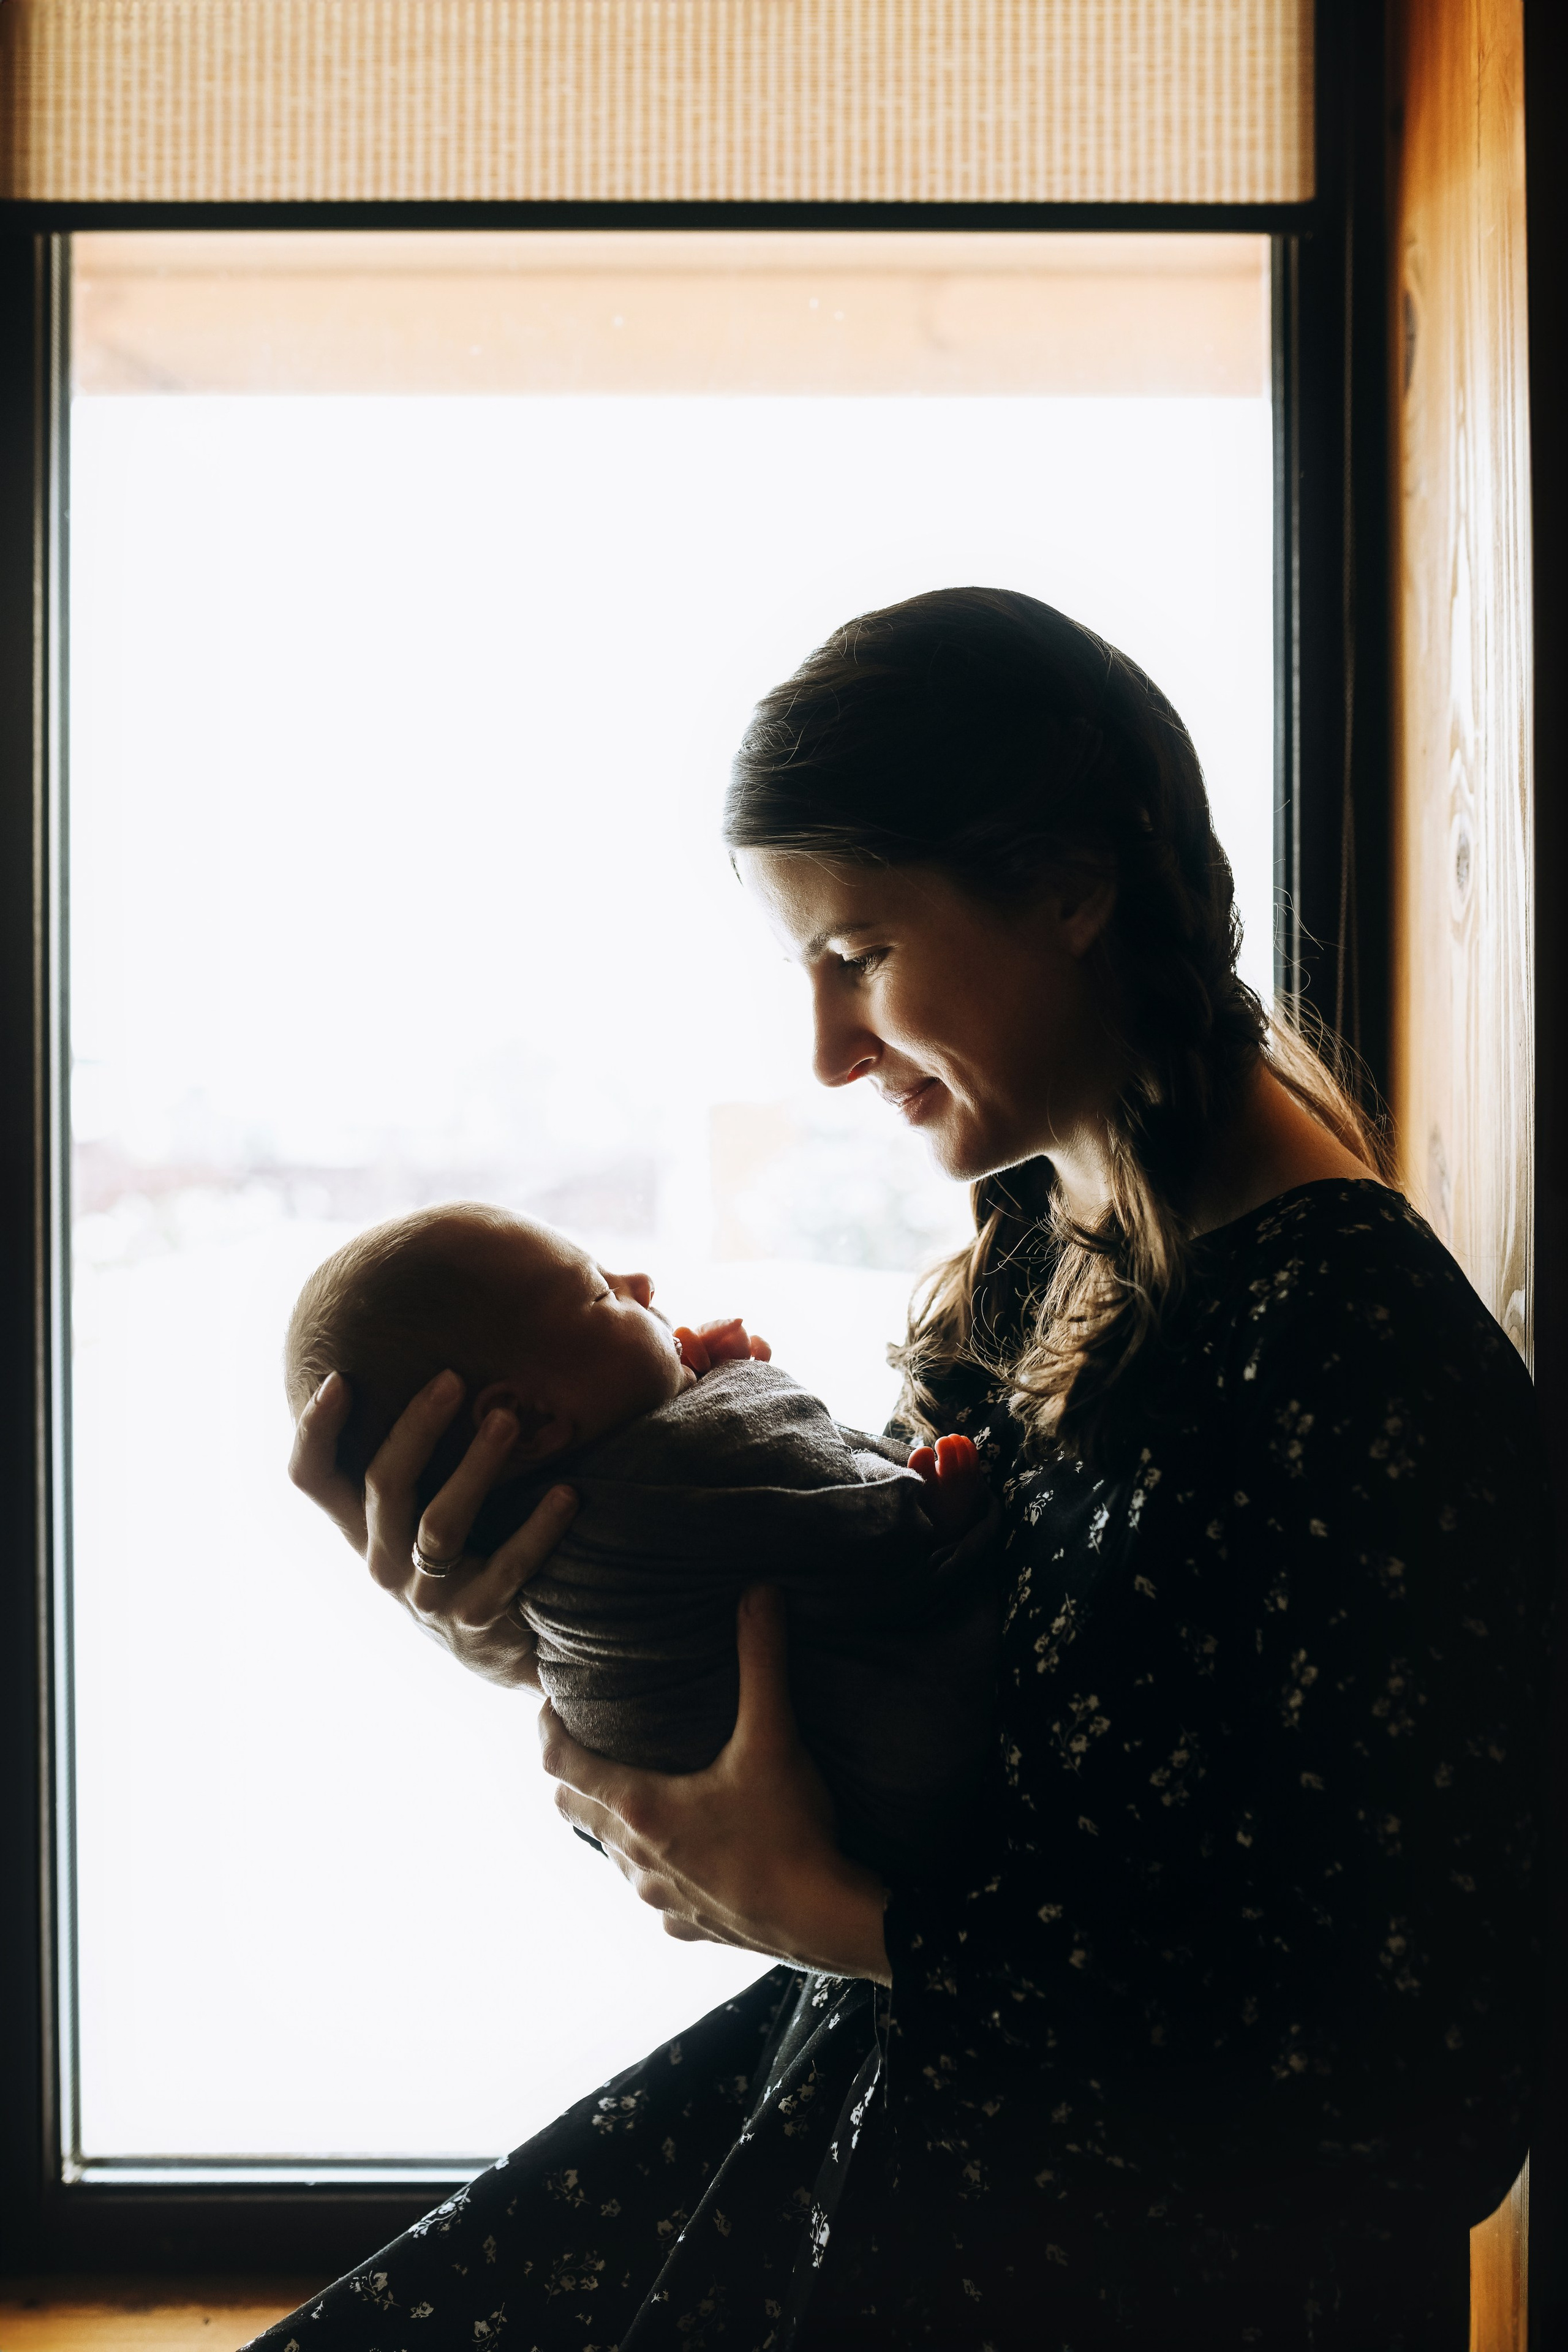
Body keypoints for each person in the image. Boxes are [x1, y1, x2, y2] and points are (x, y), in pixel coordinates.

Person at [271, 587, 1552, 2350]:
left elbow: (1434, 2085)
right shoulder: (1039, 1239)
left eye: (858, 953)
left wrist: (852, 1922)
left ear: (1073, 893)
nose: (825, 1048)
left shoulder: (1355, 1362)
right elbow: (871, 1689)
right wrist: (534, 1602)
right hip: (906, 2160)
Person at [281, 1202, 997, 1875]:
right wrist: (926, 1511)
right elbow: (842, 1519)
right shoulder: (679, 1471)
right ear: (526, 1423)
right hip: (905, 1794)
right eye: (601, 1294)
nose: (640, 1283)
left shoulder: (546, 1535)